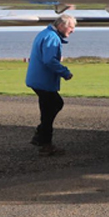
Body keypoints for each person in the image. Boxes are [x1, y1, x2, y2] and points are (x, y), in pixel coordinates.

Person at [25, 12, 75, 156]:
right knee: (54, 105)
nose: (72, 30)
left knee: (49, 107)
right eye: (71, 27)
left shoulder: (46, 34)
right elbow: (49, 60)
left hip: (37, 79)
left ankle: (41, 137)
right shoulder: (52, 38)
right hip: (42, 80)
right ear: (61, 26)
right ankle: (44, 142)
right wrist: (65, 72)